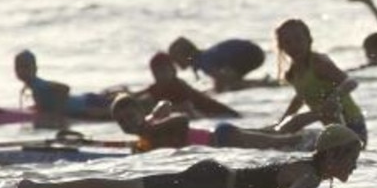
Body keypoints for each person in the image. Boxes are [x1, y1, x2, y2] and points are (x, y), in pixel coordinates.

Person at [0, 124, 364, 188]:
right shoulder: (310, 175)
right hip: (207, 184)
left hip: (212, 179)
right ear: (333, 156)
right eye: (351, 158)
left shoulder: (312, 171)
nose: (355, 165)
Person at [111, 94, 319, 152]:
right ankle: (311, 129)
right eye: (121, 122)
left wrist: (153, 125)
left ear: (140, 112)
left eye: (130, 117)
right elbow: (164, 105)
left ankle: (316, 137)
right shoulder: (148, 125)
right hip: (221, 139)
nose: (126, 124)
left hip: (221, 137)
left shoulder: (150, 128)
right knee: (276, 135)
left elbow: (182, 120)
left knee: (278, 141)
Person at [274, 18, 368, 144]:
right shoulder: (292, 73)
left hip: (353, 126)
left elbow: (351, 82)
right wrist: (282, 121)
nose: (294, 45)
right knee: (287, 130)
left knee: (294, 130)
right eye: (287, 42)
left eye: (298, 39)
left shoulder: (319, 63)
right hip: (332, 129)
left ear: (309, 40)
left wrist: (335, 97)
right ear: (281, 46)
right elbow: (301, 97)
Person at [13, 50, 117, 128]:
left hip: (87, 104)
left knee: (116, 110)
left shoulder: (38, 85)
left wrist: (57, 111)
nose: (21, 71)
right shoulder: (32, 85)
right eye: (18, 67)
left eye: (25, 67)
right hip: (83, 102)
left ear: (35, 68)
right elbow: (46, 100)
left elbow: (65, 88)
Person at [137, 52, 240, 118]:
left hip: (221, 114)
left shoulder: (178, 87)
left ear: (173, 71)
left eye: (163, 71)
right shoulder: (158, 87)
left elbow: (187, 108)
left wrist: (156, 110)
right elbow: (144, 92)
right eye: (156, 72)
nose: (159, 75)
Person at [167, 37, 267, 92]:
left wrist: (213, 93)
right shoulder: (203, 57)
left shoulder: (203, 61)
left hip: (250, 53)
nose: (175, 64)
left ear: (185, 56)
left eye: (176, 59)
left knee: (231, 84)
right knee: (231, 82)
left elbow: (219, 79)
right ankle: (262, 83)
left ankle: (264, 84)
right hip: (252, 52)